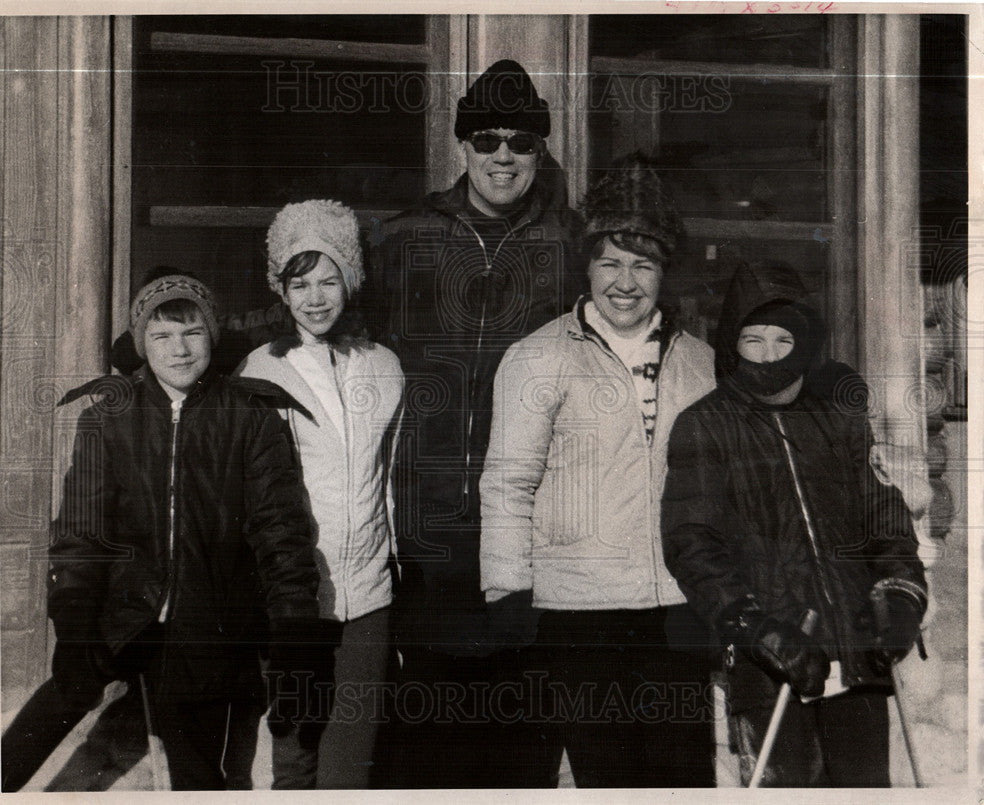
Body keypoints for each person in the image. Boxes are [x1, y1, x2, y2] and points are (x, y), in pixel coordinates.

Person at [1, 269, 328, 791]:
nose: (179, 350)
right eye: (161, 336)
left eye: (192, 333)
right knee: (46, 716)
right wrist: (76, 617)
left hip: (205, 628)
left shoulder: (249, 416)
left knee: (198, 774)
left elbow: (280, 531)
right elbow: (82, 531)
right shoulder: (111, 416)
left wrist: (293, 629)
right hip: (123, 612)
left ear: (212, 336)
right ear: (141, 345)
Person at [367, 59, 584, 787]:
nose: (502, 155)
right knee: (423, 733)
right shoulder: (403, 238)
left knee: (519, 730)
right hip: (423, 520)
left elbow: (648, 324)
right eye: (486, 139)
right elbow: (316, 315)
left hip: (527, 520)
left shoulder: (572, 247)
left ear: (539, 153)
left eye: (521, 143)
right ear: (461, 145)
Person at [479, 151, 718, 787]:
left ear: (665, 271)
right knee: (608, 779)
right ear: (586, 267)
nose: (625, 281)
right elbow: (508, 482)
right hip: (579, 615)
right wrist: (507, 590)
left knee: (683, 780)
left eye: (643, 264)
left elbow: (721, 491)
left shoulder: (702, 364)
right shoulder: (537, 358)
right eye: (610, 262)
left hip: (677, 607)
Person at [660, 259, 928, 787]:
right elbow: (692, 544)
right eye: (752, 340)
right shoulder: (704, 426)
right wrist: (757, 629)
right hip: (774, 666)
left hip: (858, 656)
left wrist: (901, 596)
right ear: (730, 342)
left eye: (782, 341)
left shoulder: (836, 418)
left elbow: (884, 516)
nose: (767, 356)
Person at [237, 199, 404, 789]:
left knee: (347, 767)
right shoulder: (261, 372)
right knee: (296, 757)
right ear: (281, 290)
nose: (315, 297)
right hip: (296, 602)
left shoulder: (384, 366)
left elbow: (388, 477)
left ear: (350, 281)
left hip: (367, 596)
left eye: (329, 279)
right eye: (299, 282)